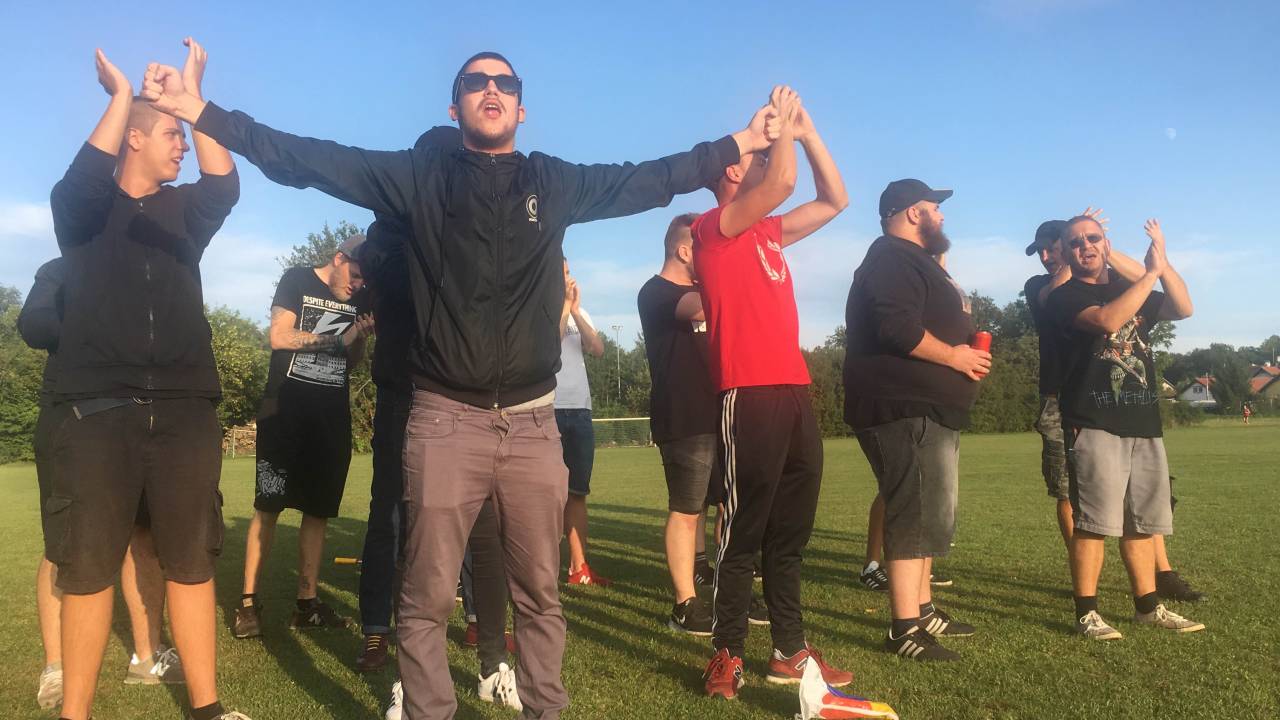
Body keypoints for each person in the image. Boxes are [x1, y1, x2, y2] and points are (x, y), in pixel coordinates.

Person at [142, 49, 777, 720]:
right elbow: (306, 158)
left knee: (540, 596)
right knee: (425, 599)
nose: (491, 89)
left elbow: (654, 178)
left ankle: (545, 709)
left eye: (505, 82)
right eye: (476, 82)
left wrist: (741, 141)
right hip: (444, 421)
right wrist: (199, 111)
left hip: (533, 426)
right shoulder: (420, 178)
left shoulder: (552, 181)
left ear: (522, 108)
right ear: (455, 107)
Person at [48, 41, 245, 720]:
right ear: (133, 137)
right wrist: (123, 97)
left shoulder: (183, 211)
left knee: (191, 561)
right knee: (87, 569)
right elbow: (82, 180)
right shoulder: (83, 213)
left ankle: (206, 707)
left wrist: (191, 100)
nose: (182, 144)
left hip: (186, 411)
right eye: (170, 133)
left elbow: (225, 185)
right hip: (96, 412)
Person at [694, 88, 853, 699]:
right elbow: (783, 181)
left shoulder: (768, 233)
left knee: (789, 534)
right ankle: (727, 653)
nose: (766, 158)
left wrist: (806, 133)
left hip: (793, 392)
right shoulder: (715, 229)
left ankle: (789, 650)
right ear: (733, 172)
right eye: (755, 155)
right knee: (741, 534)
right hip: (748, 394)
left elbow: (835, 199)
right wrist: (779, 125)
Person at [19, 258, 187, 711]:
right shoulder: (61, 269)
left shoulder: (146, 272)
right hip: (71, 418)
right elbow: (34, 324)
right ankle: (57, 667)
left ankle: (147, 657)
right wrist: (108, 330)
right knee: (65, 545)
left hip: (139, 419)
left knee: (143, 536)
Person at [844, 179, 987, 662]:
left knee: (929, 512)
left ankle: (922, 610)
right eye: (934, 207)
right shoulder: (890, 256)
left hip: (928, 408)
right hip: (902, 407)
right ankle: (904, 628)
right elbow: (895, 327)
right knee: (912, 510)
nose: (941, 215)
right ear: (910, 213)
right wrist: (954, 356)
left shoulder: (914, 260)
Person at [1029, 213, 1203, 602]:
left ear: (1106, 244)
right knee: (1087, 514)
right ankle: (1087, 604)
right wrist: (1146, 272)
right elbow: (1108, 320)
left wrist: (1160, 264)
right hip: (1087, 414)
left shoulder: (1127, 287)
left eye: (1093, 239)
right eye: (1074, 243)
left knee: (1141, 516)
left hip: (1141, 417)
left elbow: (1183, 307)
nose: (1083, 247)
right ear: (1065, 252)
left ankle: (1150, 597)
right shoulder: (1056, 292)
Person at [351, 126, 462, 672]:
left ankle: (469, 617)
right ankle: (377, 627)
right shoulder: (388, 234)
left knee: (458, 512)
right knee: (390, 512)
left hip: (454, 391)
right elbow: (410, 284)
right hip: (404, 389)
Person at [233, 237, 373, 638]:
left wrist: (360, 337)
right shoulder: (296, 279)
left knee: (318, 510)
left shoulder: (359, 300)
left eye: (364, 281)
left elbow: (351, 362)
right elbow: (279, 337)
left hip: (329, 419)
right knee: (268, 505)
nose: (358, 285)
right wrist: (338, 339)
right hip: (284, 413)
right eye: (355, 274)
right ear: (339, 258)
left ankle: (306, 605)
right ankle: (248, 604)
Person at [637, 212, 720, 635]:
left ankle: (724, 583)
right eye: (707, 247)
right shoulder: (655, 291)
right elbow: (700, 308)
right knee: (687, 509)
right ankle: (684, 605)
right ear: (685, 251)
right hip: (684, 415)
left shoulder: (703, 288)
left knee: (727, 505)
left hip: (721, 410)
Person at [556, 258, 608, 585]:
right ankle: (540, 570)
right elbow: (549, 346)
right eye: (561, 273)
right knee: (547, 495)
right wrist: (564, 307)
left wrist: (575, 311)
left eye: (568, 272)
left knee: (577, 492)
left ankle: (579, 568)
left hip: (580, 411)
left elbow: (598, 348)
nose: (568, 278)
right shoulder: (538, 309)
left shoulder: (580, 313)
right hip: (547, 410)